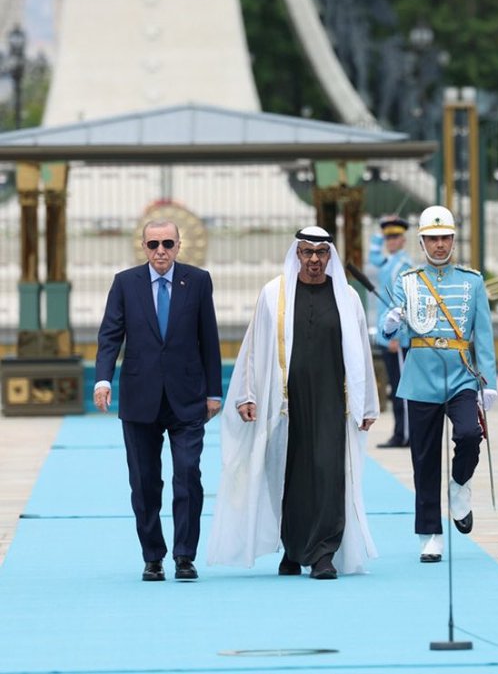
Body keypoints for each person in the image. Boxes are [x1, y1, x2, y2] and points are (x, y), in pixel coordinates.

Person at [207, 227, 379, 579]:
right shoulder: (274, 294)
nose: (314, 260)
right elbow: (254, 348)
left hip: (334, 401)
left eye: (320, 253)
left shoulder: (347, 297)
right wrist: (247, 394)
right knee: (288, 475)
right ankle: (294, 547)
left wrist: (368, 405)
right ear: (296, 254)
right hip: (285, 402)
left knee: (329, 473)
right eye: (306, 252)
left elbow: (361, 353)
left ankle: (323, 553)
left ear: (329, 256)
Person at [94, 220, 222, 582]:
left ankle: (185, 556)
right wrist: (104, 379)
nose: (161, 250)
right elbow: (110, 335)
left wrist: (214, 392)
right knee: (145, 482)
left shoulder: (197, 281)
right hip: (140, 399)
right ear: (144, 247)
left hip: (187, 398)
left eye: (168, 243)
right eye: (154, 244)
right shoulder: (125, 283)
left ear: (179, 245)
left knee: (188, 475)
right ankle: (153, 556)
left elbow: (208, 338)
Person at [380, 205, 498, 563]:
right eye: (433, 239)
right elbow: (391, 331)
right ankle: (429, 533)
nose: (440, 245)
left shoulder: (472, 281)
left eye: (445, 238)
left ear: (453, 239)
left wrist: (488, 381)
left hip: (461, 374)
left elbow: (484, 334)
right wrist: (390, 322)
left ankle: (460, 486)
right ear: (422, 242)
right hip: (420, 377)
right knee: (425, 459)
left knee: (468, 434)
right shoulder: (407, 280)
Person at [370, 215, 415, 448]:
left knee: (401, 388)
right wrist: (379, 232)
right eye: (388, 237)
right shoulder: (389, 262)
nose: (391, 241)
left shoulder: (403, 264)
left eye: (395, 236)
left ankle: (405, 434)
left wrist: (397, 335)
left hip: (396, 336)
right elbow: (372, 257)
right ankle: (400, 432)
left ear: (403, 239)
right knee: (395, 387)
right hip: (386, 335)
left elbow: (402, 300)